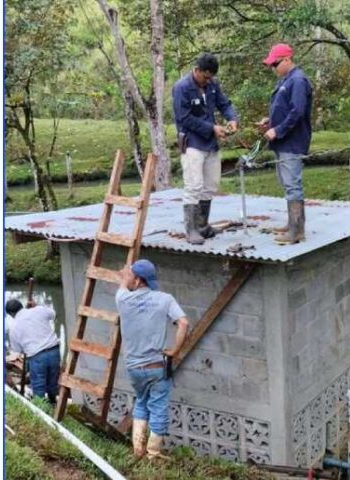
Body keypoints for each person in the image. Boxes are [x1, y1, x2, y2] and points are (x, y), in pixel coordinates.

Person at [116, 259, 190, 459]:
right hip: (157, 366)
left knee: (141, 401)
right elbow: (183, 323)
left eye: (132, 276)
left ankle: (138, 450)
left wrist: (125, 274)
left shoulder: (122, 299)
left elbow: (123, 283)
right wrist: (174, 350)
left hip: (134, 368)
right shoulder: (165, 299)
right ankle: (153, 454)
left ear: (138, 280)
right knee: (158, 407)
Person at [172, 53, 239, 245]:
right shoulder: (182, 88)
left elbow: (224, 104)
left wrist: (232, 119)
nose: (208, 80)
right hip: (192, 142)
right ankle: (191, 230)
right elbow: (184, 118)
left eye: (211, 77)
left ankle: (203, 226)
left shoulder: (212, 86)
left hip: (211, 143)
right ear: (197, 70)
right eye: (206, 76)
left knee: (210, 185)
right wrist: (212, 128)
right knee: (194, 186)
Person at [257, 43, 313, 244]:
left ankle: (297, 230)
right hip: (282, 141)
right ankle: (292, 224)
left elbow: (297, 112)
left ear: (287, 59)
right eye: (271, 65)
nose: (273, 68)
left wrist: (277, 130)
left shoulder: (298, 80)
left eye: (276, 64)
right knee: (287, 184)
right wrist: (270, 122)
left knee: (293, 185)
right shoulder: (286, 80)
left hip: (292, 141)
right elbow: (284, 109)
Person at [6, 299, 61, 404]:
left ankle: (42, 410)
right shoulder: (39, 310)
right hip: (54, 351)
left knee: (38, 385)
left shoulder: (14, 328)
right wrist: (36, 306)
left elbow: (18, 350)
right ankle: (53, 402)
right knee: (53, 381)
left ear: (11, 314)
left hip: (37, 357)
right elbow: (53, 315)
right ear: (21, 306)